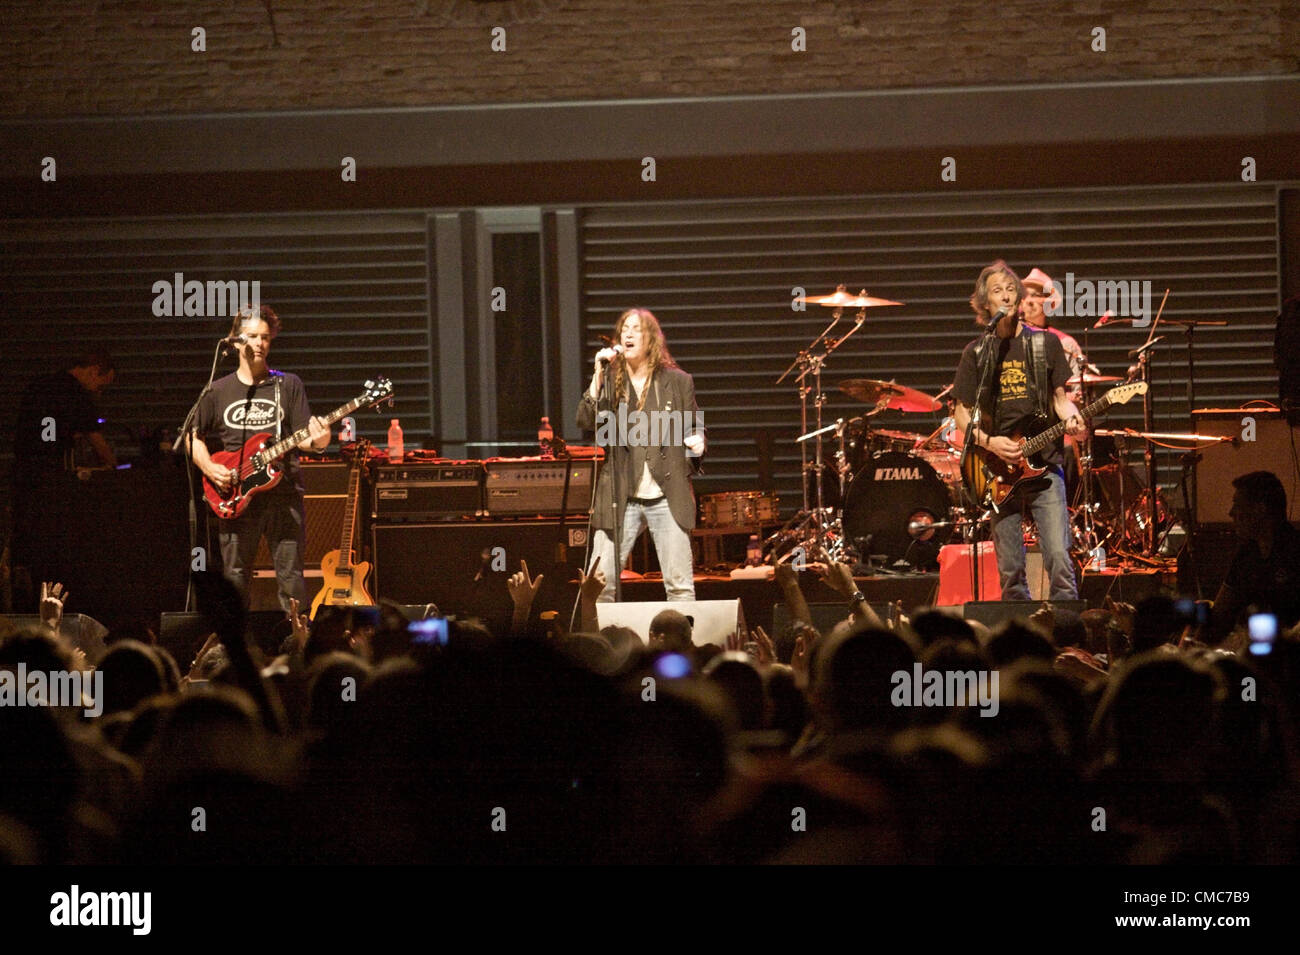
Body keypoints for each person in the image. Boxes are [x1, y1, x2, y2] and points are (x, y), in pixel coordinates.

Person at [952, 261, 1086, 601]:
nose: (1007, 295)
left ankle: (1068, 631)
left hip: (1044, 464)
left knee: (1058, 556)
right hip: (998, 471)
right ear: (985, 305)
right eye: (997, 291)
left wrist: (1072, 417)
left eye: (1011, 289)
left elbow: (1061, 400)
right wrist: (991, 443)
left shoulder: (1045, 345)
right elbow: (962, 414)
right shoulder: (976, 353)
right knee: (1011, 570)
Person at [188, 306, 330, 612]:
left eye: (265, 337)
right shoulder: (217, 390)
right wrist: (211, 468)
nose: (259, 343)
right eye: (252, 336)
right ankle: (235, 649)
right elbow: (191, 436)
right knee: (235, 576)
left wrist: (321, 440)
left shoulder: (287, 385)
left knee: (291, 577)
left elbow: (305, 438)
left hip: (284, 496)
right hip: (235, 494)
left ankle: (296, 645)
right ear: (236, 341)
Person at [576, 308, 705, 602]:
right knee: (599, 588)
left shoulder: (678, 381)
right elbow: (585, 420)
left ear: (651, 339)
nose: (629, 334)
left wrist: (697, 441)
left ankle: (683, 647)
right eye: (625, 329)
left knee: (680, 587)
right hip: (620, 495)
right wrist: (597, 376)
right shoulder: (609, 379)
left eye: (637, 329)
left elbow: (696, 425)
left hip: (667, 494)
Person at [1211, 470, 1300, 635]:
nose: (1231, 513)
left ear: (1260, 509)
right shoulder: (1247, 553)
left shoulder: (1294, 551)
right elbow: (1221, 613)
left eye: (1237, 505)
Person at [13, 352, 117, 473]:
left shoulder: (40, 384)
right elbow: (96, 439)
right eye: (100, 386)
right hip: (52, 469)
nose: (98, 392)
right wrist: (114, 466)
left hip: (24, 465)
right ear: (94, 370)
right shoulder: (77, 394)